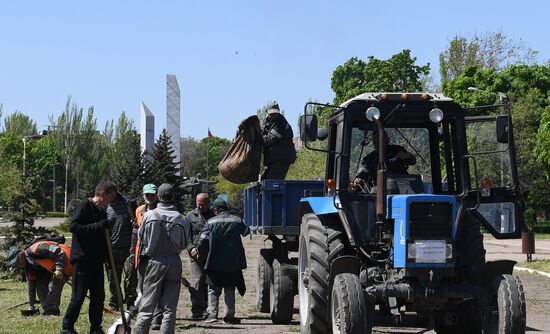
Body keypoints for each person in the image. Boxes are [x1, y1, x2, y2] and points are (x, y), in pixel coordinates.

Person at [60, 180, 118, 334]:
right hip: (83, 260)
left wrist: (107, 256)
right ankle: (67, 327)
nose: (110, 202)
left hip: (97, 261)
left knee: (98, 297)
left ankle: (95, 328)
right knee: (78, 297)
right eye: (109, 198)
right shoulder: (85, 206)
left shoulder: (102, 211)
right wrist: (97, 226)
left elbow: (103, 238)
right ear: (101, 194)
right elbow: (73, 227)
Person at [134, 183, 191, 334]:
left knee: (147, 306)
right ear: (173, 197)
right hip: (174, 261)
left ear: (158, 197)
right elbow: (185, 244)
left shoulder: (149, 215)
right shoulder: (182, 219)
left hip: (155, 261)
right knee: (170, 308)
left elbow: (141, 238)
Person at [197, 198, 250, 324]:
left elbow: (202, 242)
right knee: (230, 288)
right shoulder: (237, 220)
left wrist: (200, 251)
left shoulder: (210, 222)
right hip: (232, 263)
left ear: (215, 210)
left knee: (213, 289)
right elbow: (246, 232)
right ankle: (229, 316)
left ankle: (212, 314)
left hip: (214, 262)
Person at [8, 240, 72, 316]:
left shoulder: (36, 249)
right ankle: (48, 310)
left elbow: (58, 251)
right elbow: (31, 285)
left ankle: (52, 312)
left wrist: (59, 268)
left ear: (21, 254)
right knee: (40, 288)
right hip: (54, 268)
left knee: (53, 287)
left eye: (17, 261)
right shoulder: (27, 266)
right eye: (15, 264)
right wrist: (31, 306)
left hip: (67, 261)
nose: (18, 265)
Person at [123, 183, 157, 312]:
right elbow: (136, 231)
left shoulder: (159, 210)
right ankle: (136, 303)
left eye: (152, 194)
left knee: (152, 281)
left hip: (155, 251)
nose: (149, 197)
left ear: (157, 195)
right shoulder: (139, 210)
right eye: (147, 194)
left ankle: (153, 307)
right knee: (135, 277)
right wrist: (132, 251)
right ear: (143, 195)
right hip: (139, 250)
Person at [185, 192, 215, 320]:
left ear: (208, 203)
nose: (200, 207)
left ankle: (210, 309)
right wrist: (191, 249)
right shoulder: (190, 216)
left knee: (210, 283)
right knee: (197, 282)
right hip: (195, 255)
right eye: (198, 204)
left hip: (210, 255)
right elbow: (186, 236)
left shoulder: (214, 215)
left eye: (203, 204)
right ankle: (197, 310)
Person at [105, 191, 134, 312]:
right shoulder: (105, 206)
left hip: (129, 248)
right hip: (112, 249)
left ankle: (131, 301)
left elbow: (136, 222)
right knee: (113, 278)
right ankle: (115, 302)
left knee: (131, 276)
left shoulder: (129, 203)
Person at [258, 101, 297, 180]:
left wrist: (257, 136)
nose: (273, 115)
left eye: (275, 113)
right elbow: (263, 134)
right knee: (263, 182)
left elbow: (268, 141)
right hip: (274, 159)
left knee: (271, 184)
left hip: (282, 159)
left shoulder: (280, 124)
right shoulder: (268, 122)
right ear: (267, 112)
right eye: (271, 113)